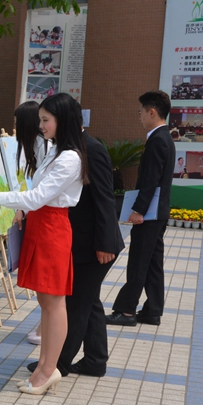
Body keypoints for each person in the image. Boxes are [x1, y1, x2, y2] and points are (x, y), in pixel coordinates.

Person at [0, 93, 87, 395]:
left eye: (46, 120)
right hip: (42, 226)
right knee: (46, 302)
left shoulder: (70, 157)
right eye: (40, 120)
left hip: (52, 229)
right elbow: (37, 195)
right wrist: (21, 208)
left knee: (54, 302)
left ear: (62, 120)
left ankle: (49, 370)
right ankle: (43, 367)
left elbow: (38, 197)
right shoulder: (55, 150)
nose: (41, 126)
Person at [28, 112, 125, 377]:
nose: (42, 126)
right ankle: (95, 360)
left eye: (46, 120)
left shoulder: (90, 149)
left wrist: (105, 243)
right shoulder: (66, 148)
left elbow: (105, 198)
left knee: (77, 304)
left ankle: (57, 365)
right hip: (78, 241)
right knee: (89, 301)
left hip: (94, 245)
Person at [106, 90, 176, 327]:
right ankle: (153, 310)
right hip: (158, 212)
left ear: (152, 112)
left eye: (141, 112)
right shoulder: (165, 137)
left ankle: (126, 311)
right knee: (153, 262)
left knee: (138, 261)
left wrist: (139, 211)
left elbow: (150, 181)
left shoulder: (157, 140)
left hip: (150, 214)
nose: (140, 117)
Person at [13, 100, 49, 345]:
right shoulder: (37, 145)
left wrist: (18, 205)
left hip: (46, 220)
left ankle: (46, 328)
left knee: (45, 281)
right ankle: (44, 326)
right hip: (38, 215)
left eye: (17, 122)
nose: (15, 128)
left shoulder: (43, 146)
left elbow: (40, 192)